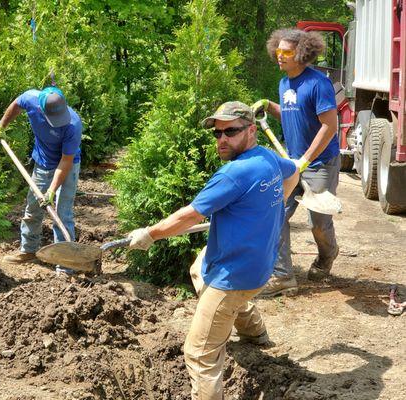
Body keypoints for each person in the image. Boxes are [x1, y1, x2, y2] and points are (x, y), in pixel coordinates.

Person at [127, 102, 299, 400]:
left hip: (234, 277)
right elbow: (293, 172)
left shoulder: (234, 174)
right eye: (217, 133)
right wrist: (274, 210)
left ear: (251, 130)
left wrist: (150, 234)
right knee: (199, 266)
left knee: (199, 355)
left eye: (231, 131)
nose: (222, 139)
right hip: (259, 265)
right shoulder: (267, 159)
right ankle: (254, 332)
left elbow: (189, 216)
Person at [252, 29, 340, 297]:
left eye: (286, 52)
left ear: (302, 53)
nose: (280, 56)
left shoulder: (318, 84)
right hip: (292, 163)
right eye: (278, 51)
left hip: (320, 163)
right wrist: (269, 106)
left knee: (319, 224)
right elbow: (294, 115)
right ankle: (282, 277)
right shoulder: (283, 83)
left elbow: (330, 127)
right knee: (276, 214)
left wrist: (306, 159)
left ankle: (327, 256)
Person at [0, 85, 82, 275]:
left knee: (62, 214)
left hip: (68, 166)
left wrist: (51, 191)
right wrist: (1, 125)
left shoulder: (73, 124)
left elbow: (65, 161)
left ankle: (65, 265)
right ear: (41, 109)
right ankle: (28, 251)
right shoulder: (31, 98)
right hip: (42, 163)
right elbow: (16, 104)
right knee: (32, 208)